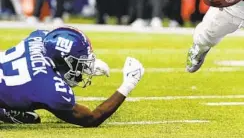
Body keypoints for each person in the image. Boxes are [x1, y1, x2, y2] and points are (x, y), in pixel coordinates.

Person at [0, 26, 144, 126]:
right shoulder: (49, 88)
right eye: (79, 62)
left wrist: (83, 63)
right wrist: (128, 84)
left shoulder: (39, 37)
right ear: (63, 59)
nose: (82, 68)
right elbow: (91, 118)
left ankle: (5, 108)